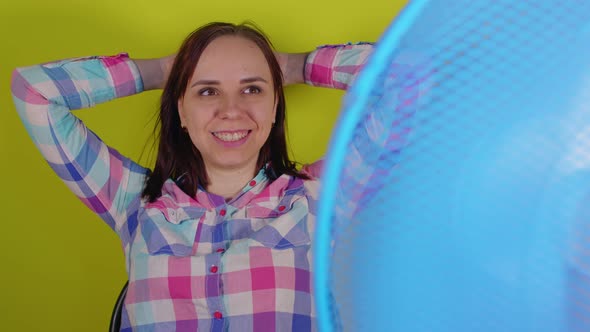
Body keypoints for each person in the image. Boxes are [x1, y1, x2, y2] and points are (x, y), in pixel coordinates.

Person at [11, 22, 372, 331]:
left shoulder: (318, 198)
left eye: (253, 89)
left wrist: (294, 66)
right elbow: (33, 90)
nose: (231, 110)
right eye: (207, 90)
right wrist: (166, 71)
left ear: (276, 104)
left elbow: (414, 83)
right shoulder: (133, 200)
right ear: (181, 109)